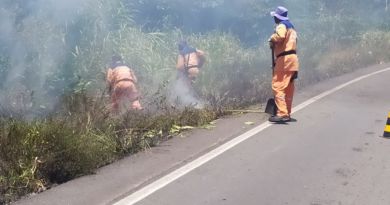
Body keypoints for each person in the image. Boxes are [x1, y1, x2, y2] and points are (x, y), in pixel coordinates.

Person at [268, 6, 299, 123]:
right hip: (293, 59)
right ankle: (287, 112)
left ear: (277, 17)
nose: (274, 19)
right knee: (289, 88)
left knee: (278, 86)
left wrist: (272, 39)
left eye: (274, 17)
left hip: (285, 60)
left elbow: (280, 36)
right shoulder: (292, 28)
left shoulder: (281, 26)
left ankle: (282, 113)